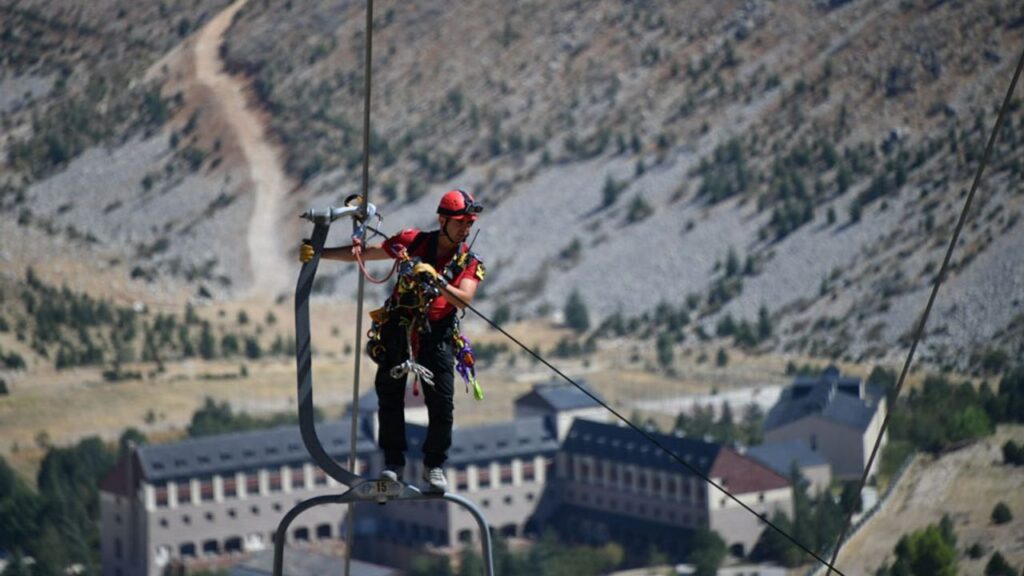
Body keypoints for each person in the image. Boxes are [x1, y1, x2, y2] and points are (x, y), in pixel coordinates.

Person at [299, 189, 486, 491]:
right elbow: (365, 253)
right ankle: (393, 464)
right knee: (389, 396)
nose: (466, 228)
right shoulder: (412, 242)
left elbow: (464, 299)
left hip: (437, 334)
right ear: (443, 220)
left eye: (469, 223)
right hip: (398, 326)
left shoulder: (469, 262)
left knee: (442, 403)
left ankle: (434, 466)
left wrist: (436, 279)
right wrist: (320, 253)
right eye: (460, 222)